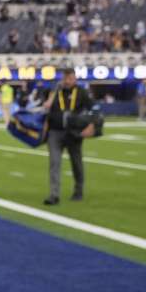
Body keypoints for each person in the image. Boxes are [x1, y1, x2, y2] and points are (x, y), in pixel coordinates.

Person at [42, 69, 94, 205]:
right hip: (55, 131)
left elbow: (93, 109)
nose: (67, 81)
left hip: (73, 133)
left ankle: (78, 190)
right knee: (54, 162)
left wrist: (91, 125)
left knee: (76, 163)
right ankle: (54, 195)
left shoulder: (82, 92)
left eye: (70, 78)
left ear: (75, 79)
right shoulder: (54, 91)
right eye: (65, 78)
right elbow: (45, 108)